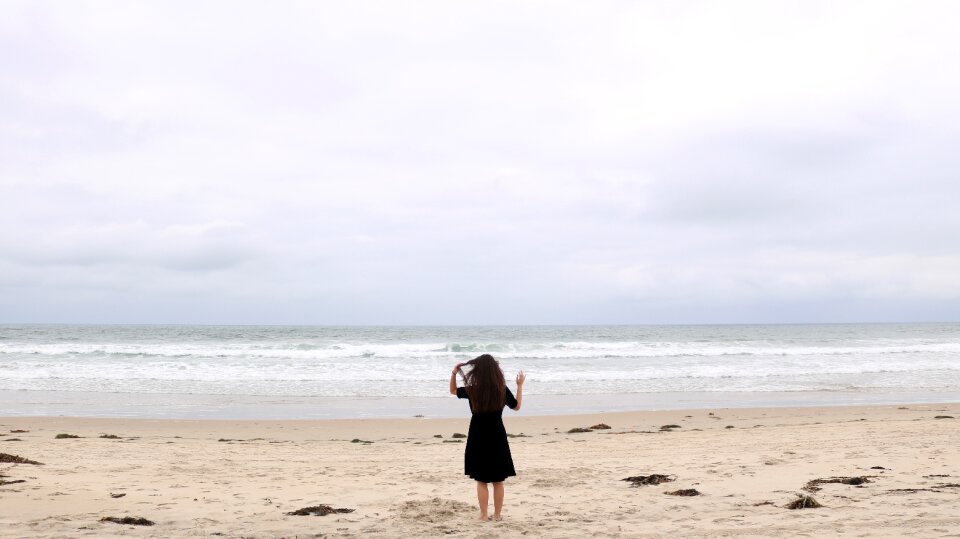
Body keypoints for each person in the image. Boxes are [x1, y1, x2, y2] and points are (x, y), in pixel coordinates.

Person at [449, 354, 525, 521]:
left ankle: (483, 515)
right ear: (495, 371)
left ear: (478, 371)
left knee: (481, 479)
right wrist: (519, 386)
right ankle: (497, 515)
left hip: (477, 435)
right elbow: (517, 407)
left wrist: (454, 373)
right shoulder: (501, 388)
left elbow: (453, 391)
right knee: (498, 480)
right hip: (497, 434)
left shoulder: (473, 388)